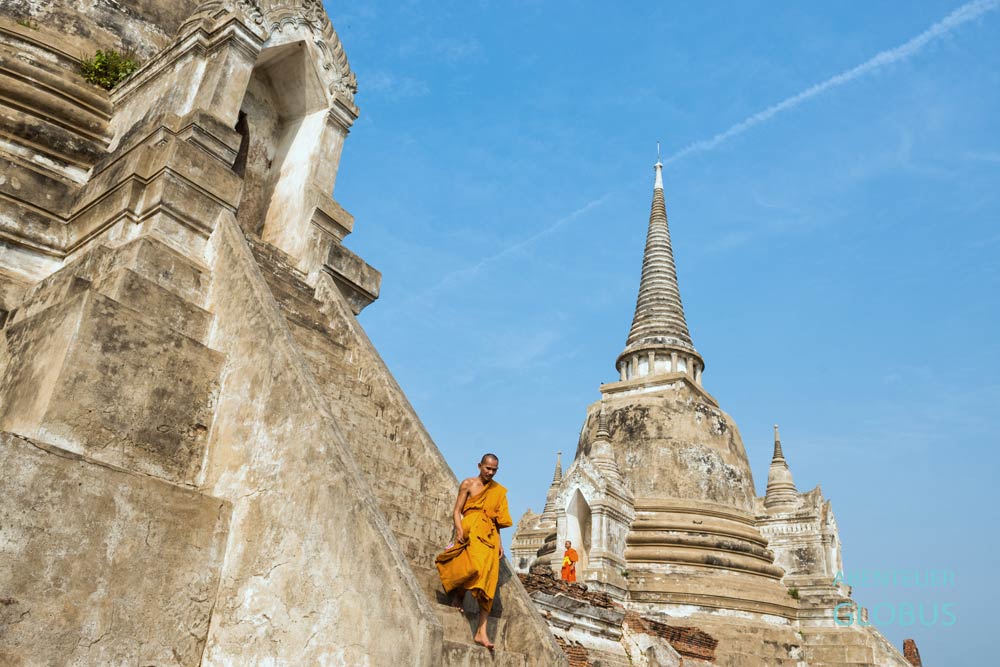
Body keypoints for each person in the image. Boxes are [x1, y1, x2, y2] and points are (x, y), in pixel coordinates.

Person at [435, 453, 512, 649]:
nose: (491, 472)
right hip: (470, 531)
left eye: (494, 470)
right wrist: (459, 529)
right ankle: (460, 593)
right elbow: (456, 511)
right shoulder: (468, 484)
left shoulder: (498, 491)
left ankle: (481, 631)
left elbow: (496, 521)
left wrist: (500, 543)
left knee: (489, 583)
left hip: (489, 536)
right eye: (488, 468)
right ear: (480, 466)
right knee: (474, 568)